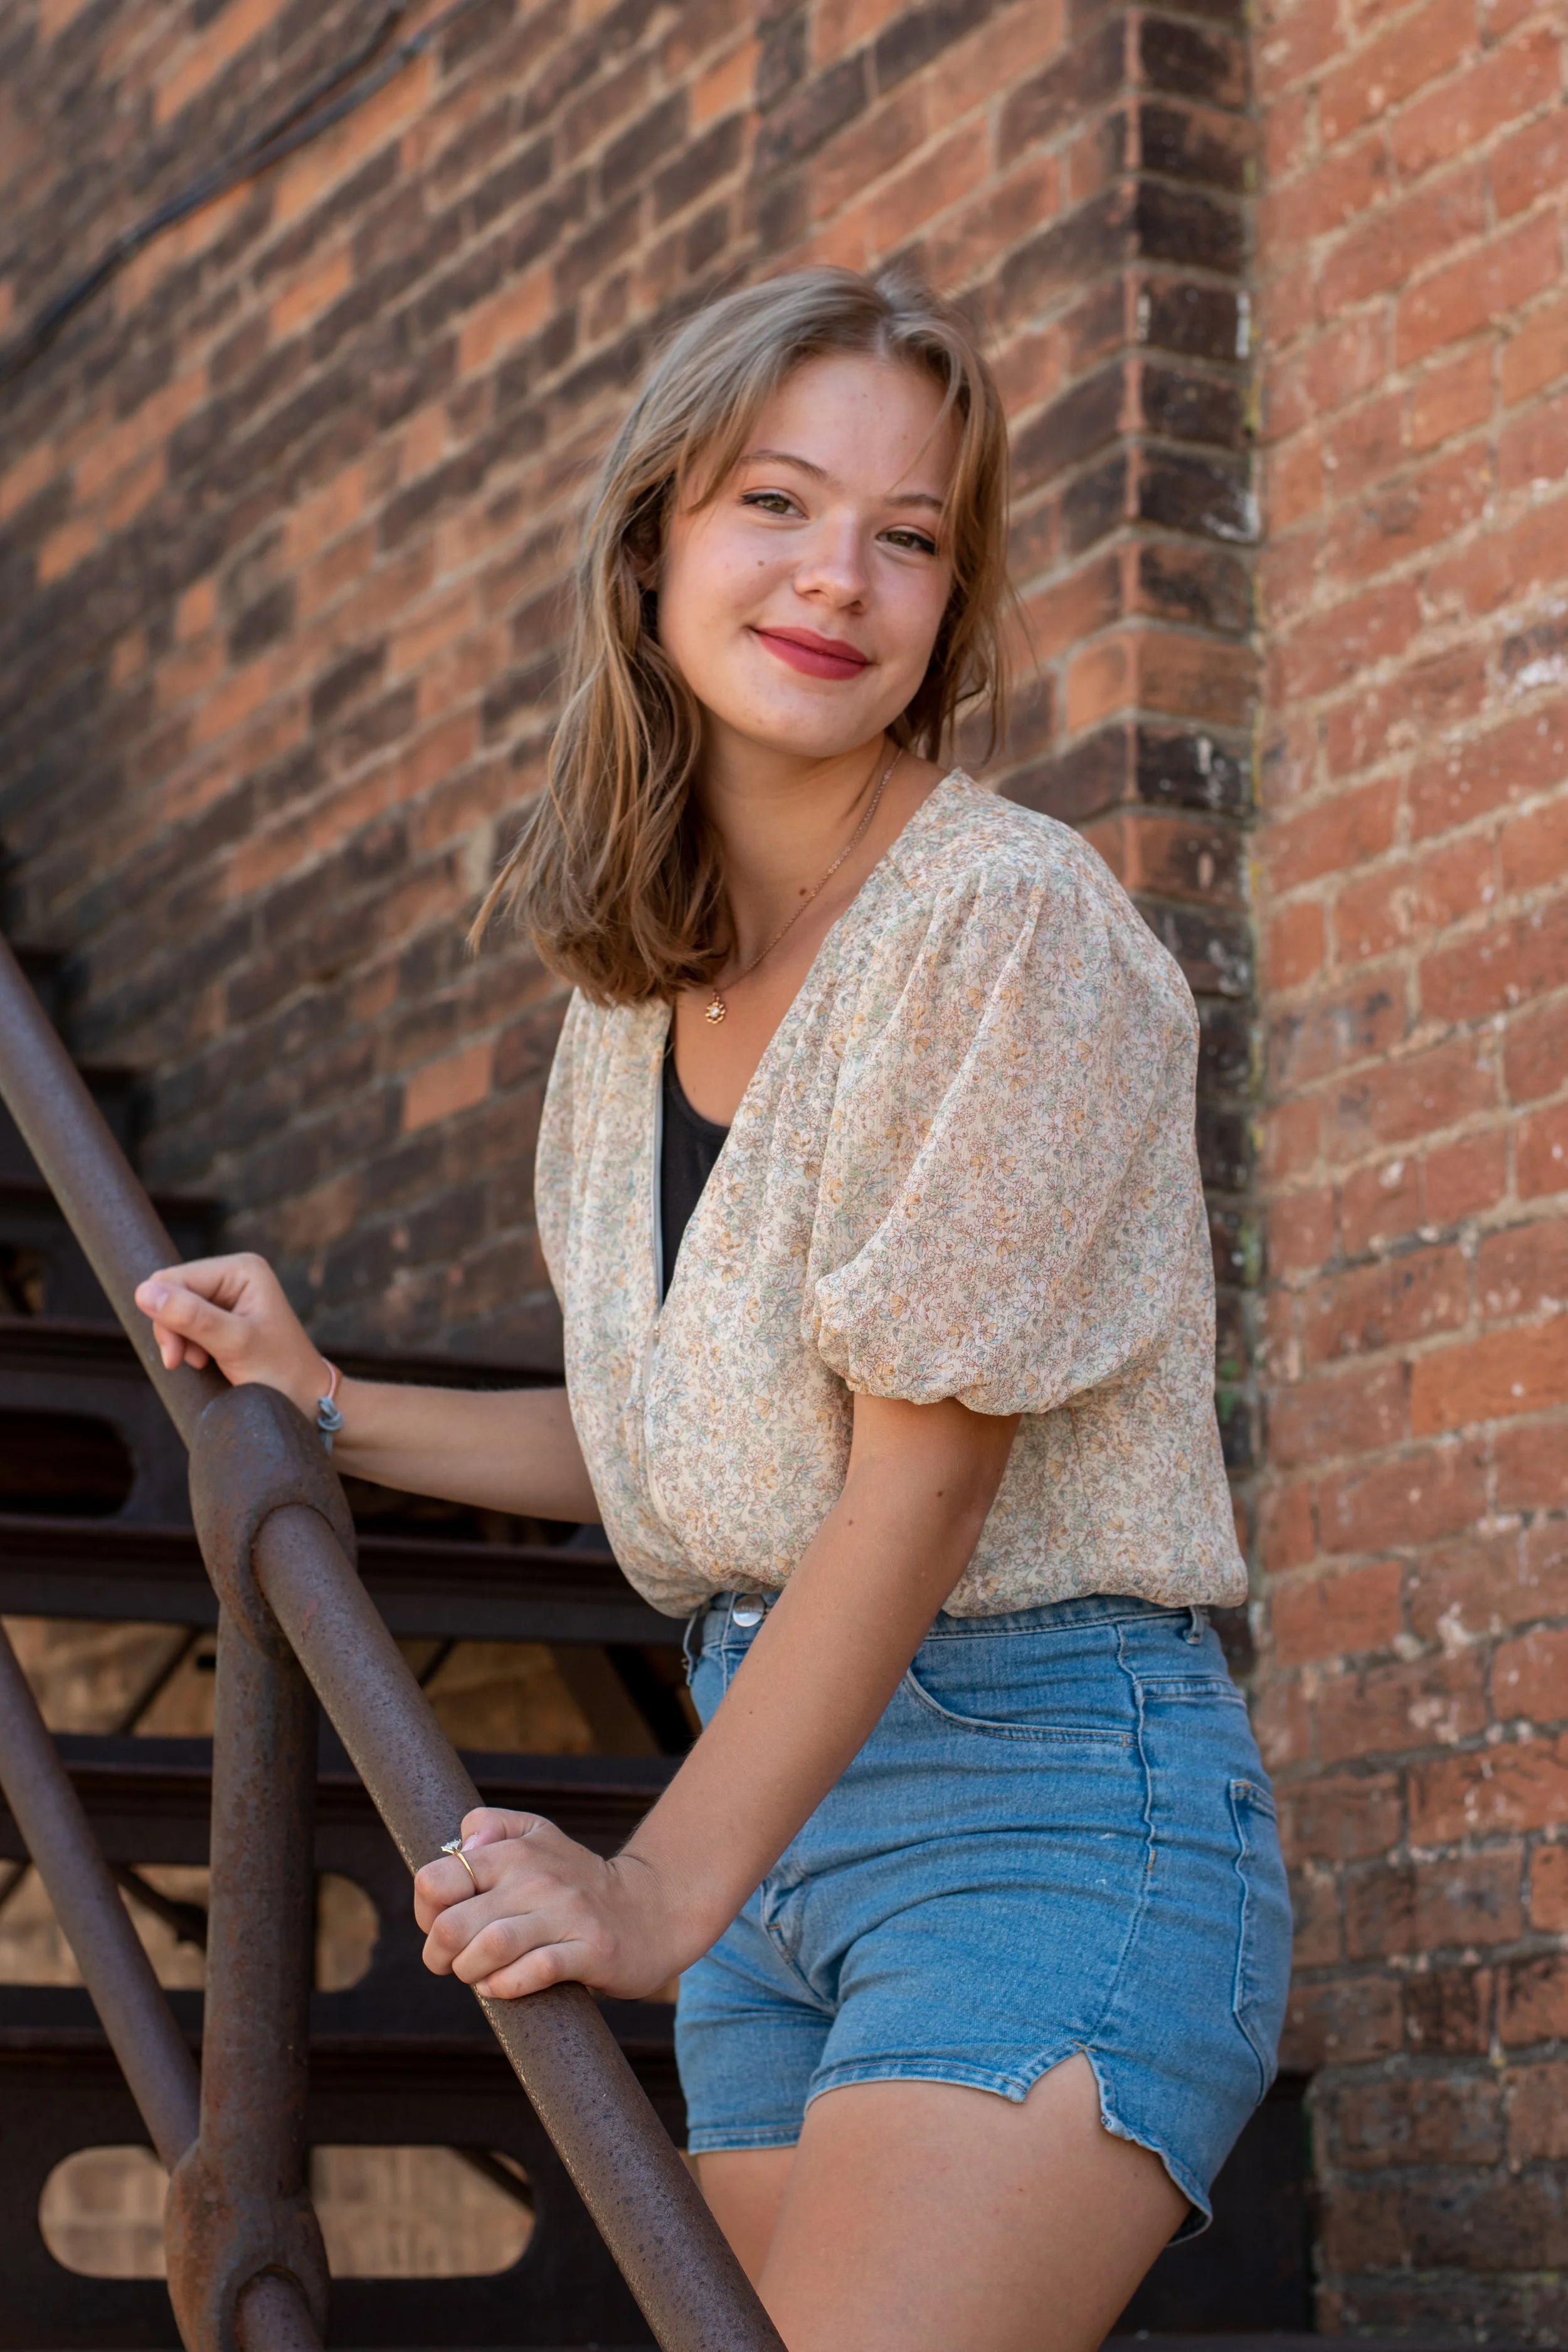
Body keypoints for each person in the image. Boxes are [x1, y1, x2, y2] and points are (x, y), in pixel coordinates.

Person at [135, 266, 1291, 2352]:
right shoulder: (627, 1002)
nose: (838, 574)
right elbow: (691, 1446)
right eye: (776, 501)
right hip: (778, 1841)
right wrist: (325, 1403)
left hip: (1039, 1804)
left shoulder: (1005, 927)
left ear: (950, 600)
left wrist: (651, 1887)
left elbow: (917, 1489)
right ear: (651, 538)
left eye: (909, 534)